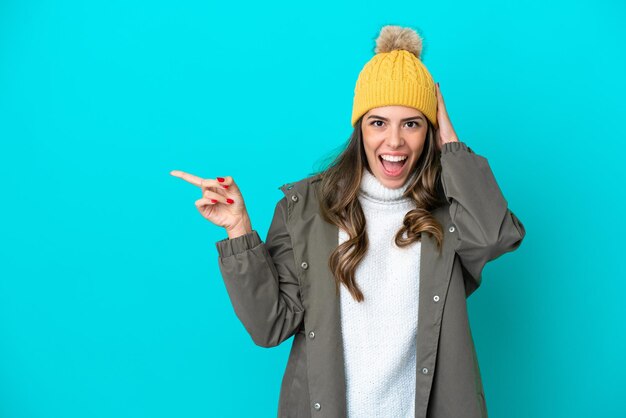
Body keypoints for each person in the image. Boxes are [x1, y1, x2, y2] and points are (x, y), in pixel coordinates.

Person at [171, 25, 526, 418]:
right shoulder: (305, 209)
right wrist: (238, 228)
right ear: (360, 128)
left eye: (412, 123)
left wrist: (453, 147)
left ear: (430, 131)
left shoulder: (450, 211)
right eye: (378, 123)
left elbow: (493, 237)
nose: (394, 142)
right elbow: (269, 326)